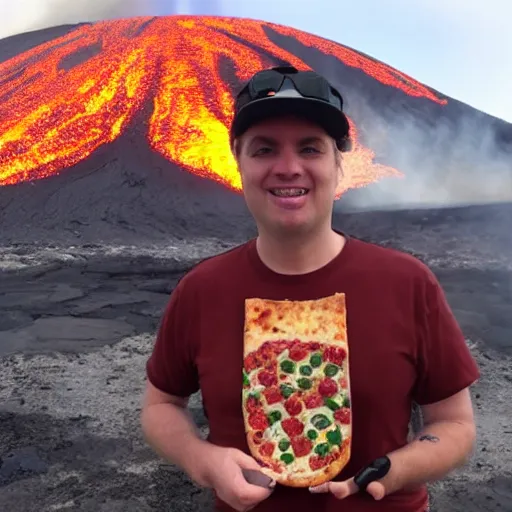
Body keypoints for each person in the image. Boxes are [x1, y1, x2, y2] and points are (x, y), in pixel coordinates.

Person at [140, 65, 480, 512]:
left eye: (310, 148)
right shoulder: (202, 289)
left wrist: (396, 470)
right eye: (264, 149)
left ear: (338, 165)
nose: (288, 167)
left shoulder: (407, 283)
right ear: (238, 161)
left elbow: (454, 421)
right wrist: (201, 459)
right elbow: (161, 405)